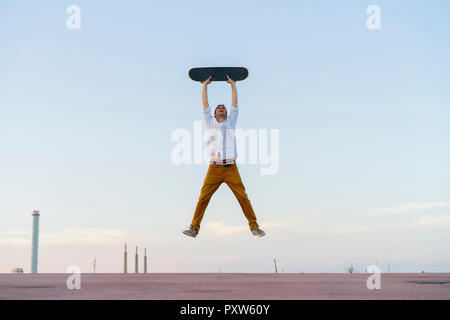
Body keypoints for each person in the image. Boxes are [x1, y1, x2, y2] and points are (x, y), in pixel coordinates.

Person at [183, 75, 266, 238]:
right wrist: (205, 85)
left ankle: (254, 227)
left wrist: (233, 85)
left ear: (226, 113)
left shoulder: (231, 121)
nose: (221, 108)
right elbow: (205, 105)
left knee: (243, 198)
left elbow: (235, 104)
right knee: (203, 199)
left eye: (223, 108)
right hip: (214, 168)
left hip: (231, 168)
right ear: (214, 113)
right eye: (218, 108)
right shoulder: (210, 122)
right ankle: (194, 228)